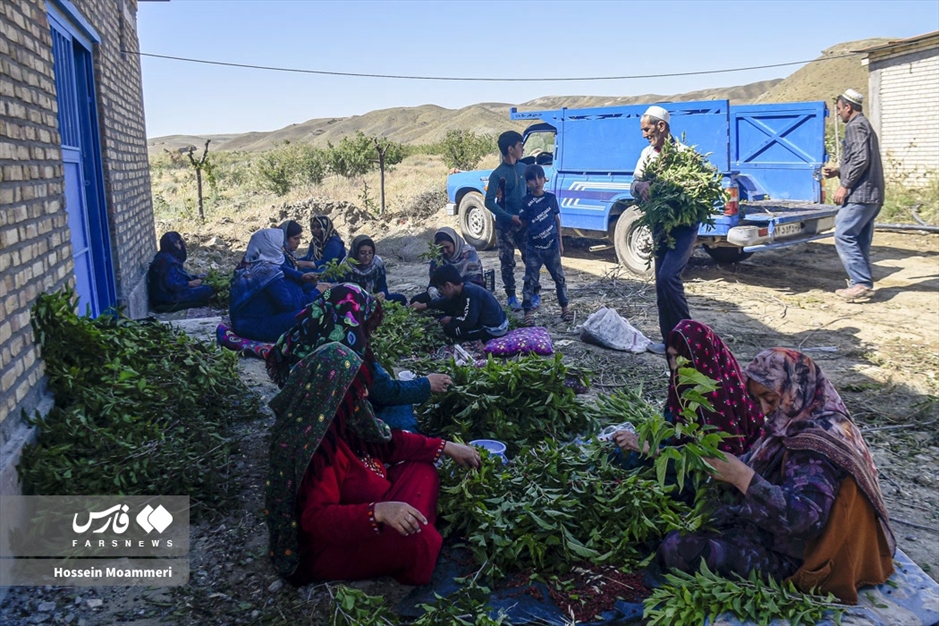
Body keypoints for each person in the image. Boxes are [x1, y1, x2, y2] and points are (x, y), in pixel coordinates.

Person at [652, 348, 895, 604]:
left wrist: (742, 477)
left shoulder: (815, 443)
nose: (765, 409)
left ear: (795, 389)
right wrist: (668, 454)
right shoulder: (793, 421)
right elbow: (746, 463)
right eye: (758, 400)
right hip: (771, 534)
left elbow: (806, 521)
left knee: (680, 548)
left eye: (770, 398)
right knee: (672, 522)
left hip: (800, 558)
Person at [266, 342, 481, 586]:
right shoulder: (316, 449)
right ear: (336, 392)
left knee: (422, 467)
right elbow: (316, 519)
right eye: (359, 388)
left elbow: (388, 443)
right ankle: (404, 538)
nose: (366, 394)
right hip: (332, 544)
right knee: (422, 541)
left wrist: (444, 447)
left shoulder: (343, 416)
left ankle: (407, 524)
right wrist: (377, 512)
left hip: (371, 498)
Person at [266, 284, 452, 432]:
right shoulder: (348, 350)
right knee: (400, 410)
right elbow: (385, 392)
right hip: (333, 427)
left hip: (299, 418)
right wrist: (427, 384)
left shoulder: (300, 334)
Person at [614, 320, 765, 458]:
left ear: (698, 357)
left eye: (679, 357)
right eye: (670, 357)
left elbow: (718, 461)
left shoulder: (716, 397)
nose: (673, 366)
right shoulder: (681, 385)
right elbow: (676, 429)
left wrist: (649, 449)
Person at [629, 105, 695, 356]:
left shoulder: (684, 154)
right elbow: (633, 184)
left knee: (670, 278)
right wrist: (641, 186)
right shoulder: (647, 155)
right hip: (660, 225)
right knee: (661, 283)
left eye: (647, 129)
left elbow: (693, 188)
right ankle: (669, 341)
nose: (644, 134)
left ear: (661, 126)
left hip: (683, 226)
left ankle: (688, 340)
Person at [822, 88, 884, 302]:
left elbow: (860, 160)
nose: (838, 113)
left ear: (848, 107)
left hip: (860, 194)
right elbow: (861, 158)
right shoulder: (864, 125)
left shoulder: (855, 126)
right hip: (871, 194)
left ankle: (860, 283)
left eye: (839, 109)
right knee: (859, 238)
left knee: (844, 234)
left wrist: (844, 185)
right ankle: (863, 284)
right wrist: (839, 171)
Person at [485, 130, 539, 311]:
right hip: (505, 226)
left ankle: (534, 293)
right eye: (520, 146)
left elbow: (534, 192)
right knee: (507, 261)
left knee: (530, 258)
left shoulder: (524, 169)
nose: (523, 149)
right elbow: (489, 202)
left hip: (524, 224)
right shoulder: (497, 175)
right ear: (510, 149)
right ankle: (511, 297)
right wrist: (509, 217)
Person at [229, 228, 309, 342]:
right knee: (312, 315)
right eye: (279, 246)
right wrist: (315, 293)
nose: (281, 249)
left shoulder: (246, 265)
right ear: (271, 246)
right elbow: (288, 306)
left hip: (240, 323)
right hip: (256, 327)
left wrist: (300, 277)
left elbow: (283, 270)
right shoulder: (268, 272)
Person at [519, 164, 571, 326]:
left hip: (552, 247)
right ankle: (528, 312)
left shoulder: (551, 199)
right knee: (530, 280)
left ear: (544, 179)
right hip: (534, 249)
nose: (537, 182)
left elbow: (556, 220)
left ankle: (565, 308)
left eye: (539, 178)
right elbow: (524, 223)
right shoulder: (526, 202)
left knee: (559, 278)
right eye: (532, 179)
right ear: (527, 183)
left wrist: (560, 242)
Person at [413, 264, 508, 341]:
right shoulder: (463, 287)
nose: (442, 293)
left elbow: (469, 321)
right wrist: (424, 305)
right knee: (448, 312)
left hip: (493, 328)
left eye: (442, 289)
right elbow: (445, 301)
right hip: (484, 321)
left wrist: (451, 319)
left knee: (450, 330)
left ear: (448, 285)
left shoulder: (470, 293)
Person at [411, 227, 485, 306]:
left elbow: (476, 282)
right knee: (416, 300)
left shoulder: (468, 253)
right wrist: (431, 289)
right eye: (441, 248)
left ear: (455, 243)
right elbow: (434, 280)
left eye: (447, 247)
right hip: (444, 293)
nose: (444, 251)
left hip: (466, 294)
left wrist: (454, 289)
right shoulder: (438, 257)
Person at [147, 232, 215, 312]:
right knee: (207, 290)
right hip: (166, 297)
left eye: (179, 243)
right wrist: (190, 283)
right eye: (176, 244)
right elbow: (172, 285)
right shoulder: (167, 262)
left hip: (169, 293)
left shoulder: (166, 256)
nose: (179, 246)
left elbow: (179, 276)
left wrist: (196, 277)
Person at [344, 235, 407, 305]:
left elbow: (382, 285)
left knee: (401, 298)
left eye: (370, 253)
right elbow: (342, 289)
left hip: (375, 299)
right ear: (356, 252)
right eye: (363, 253)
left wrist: (382, 293)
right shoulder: (347, 266)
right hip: (354, 301)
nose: (367, 257)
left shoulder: (377, 264)